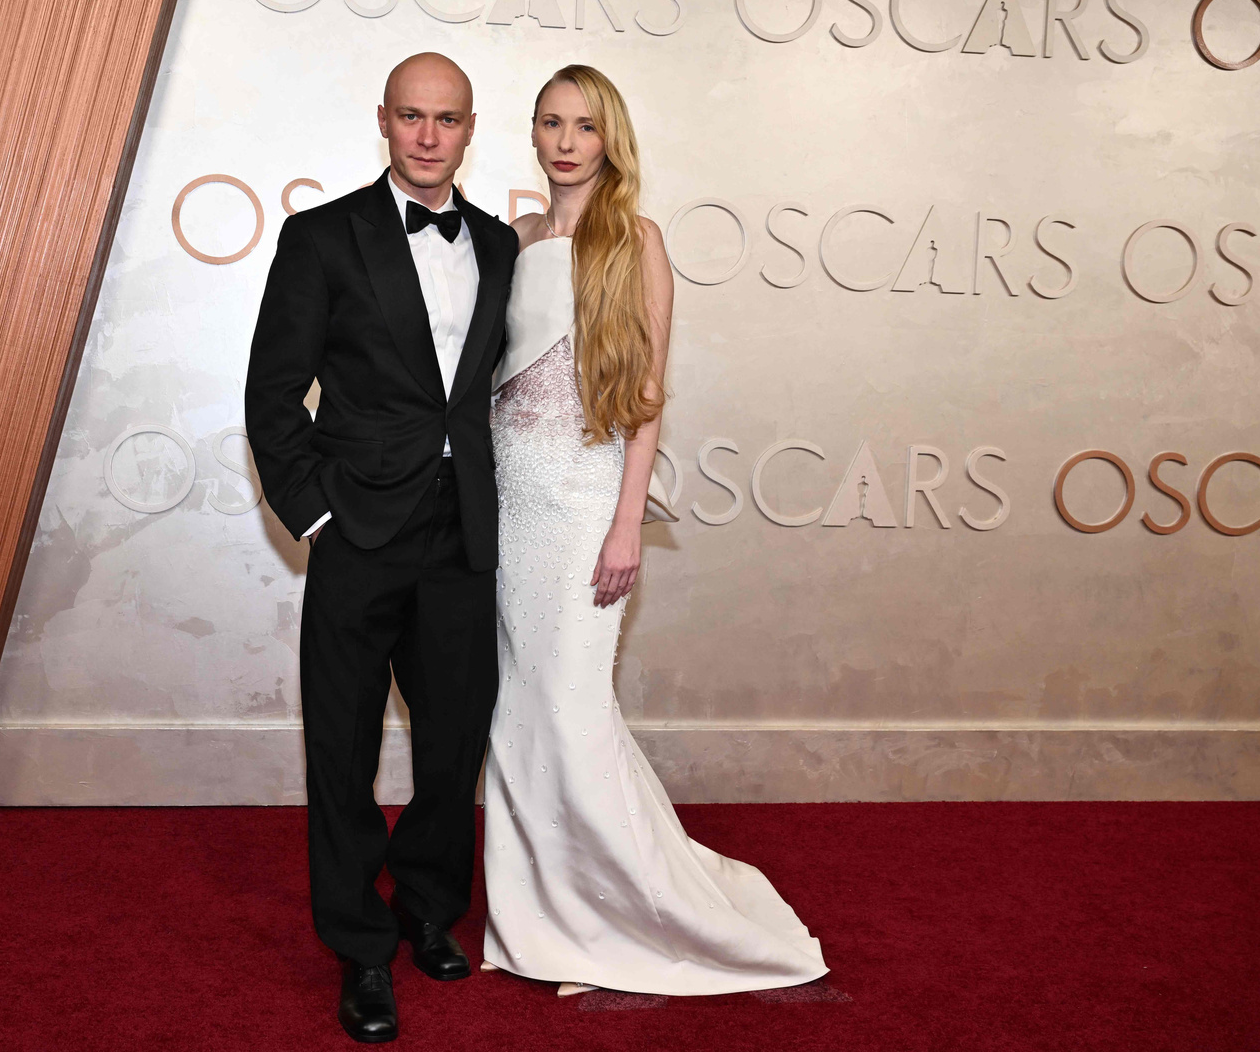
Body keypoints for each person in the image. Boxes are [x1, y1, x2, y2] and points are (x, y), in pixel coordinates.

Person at [481, 65, 828, 996]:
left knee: (571, 709)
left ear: (610, 139)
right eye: (550, 123)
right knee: (520, 712)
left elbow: (644, 395)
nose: (565, 142)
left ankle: (622, 914)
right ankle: (542, 913)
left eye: (584, 125)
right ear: (532, 133)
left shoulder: (636, 240)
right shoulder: (516, 239)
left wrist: (625, 525)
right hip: (510, 498)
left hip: (585, 501)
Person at [245, 53, 518, 1043]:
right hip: (357, 529)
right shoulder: (322, 237)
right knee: (343, 747)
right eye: (411, 116)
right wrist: (316, 515)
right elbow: (272, 392)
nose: (428, 135)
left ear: (469, 127)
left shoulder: (500, 245)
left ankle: (426, 909)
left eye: (446, 118)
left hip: (461, 530)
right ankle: (360, 947)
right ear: (384, 120)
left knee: (452, 744)